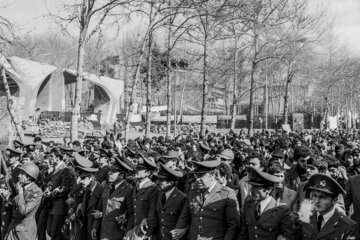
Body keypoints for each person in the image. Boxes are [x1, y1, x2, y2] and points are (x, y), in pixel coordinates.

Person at [173, 159, 239, 240]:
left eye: (201, 176)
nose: (197, 179)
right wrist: (178, 231)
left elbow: (233, 225)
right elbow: (184, 217)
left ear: (213, 175)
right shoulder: (193, 192)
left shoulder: (227, 194)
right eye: (196, 176)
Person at [239, 166, 295, 240]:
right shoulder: (248, 204)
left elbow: (288, 236)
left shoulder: (281, 210)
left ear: (268, 190)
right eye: (252, 186)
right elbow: (244, 233)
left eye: (256, 187)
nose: (251, 190)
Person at [298, 174, 359, 240]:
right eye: (315, 196)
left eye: (322, 197)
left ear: (334, 201)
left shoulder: (348, 226)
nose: (316, 201)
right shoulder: (306, 218)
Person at [92, 157, 133, 240]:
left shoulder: (129, 190)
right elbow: (100, 209)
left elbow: (131, 214)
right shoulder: (107, 187)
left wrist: (127, 234)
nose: (109, 173)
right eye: (110, 171)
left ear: (121, 175)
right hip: (103, 232)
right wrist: (95, 227)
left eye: (113, 171)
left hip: (118, 234)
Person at [5, 163, 43, 240]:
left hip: (24, 232)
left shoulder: (36, 192)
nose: (19, 175)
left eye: (22, 174)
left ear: (29, 177)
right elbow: (14, 206)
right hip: (13, 228)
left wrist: (20, 194)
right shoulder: (21, 187)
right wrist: (7, 196)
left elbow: (24, 211)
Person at [148, 163, 186, 240]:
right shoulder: (159, 194)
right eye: (158, 179)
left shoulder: (182, 198)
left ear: (171, 182)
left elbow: (186, 223)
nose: (157, 182)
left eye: (161, 180)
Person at [75, 165, 103, 240]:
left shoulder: (101, 190)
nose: (81, 181)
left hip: (95, 230)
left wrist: (95, 227)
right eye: (81, 178)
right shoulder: (87, 190)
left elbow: (103, 211)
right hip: (85, 228)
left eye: (84, 178)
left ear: (92, 178)